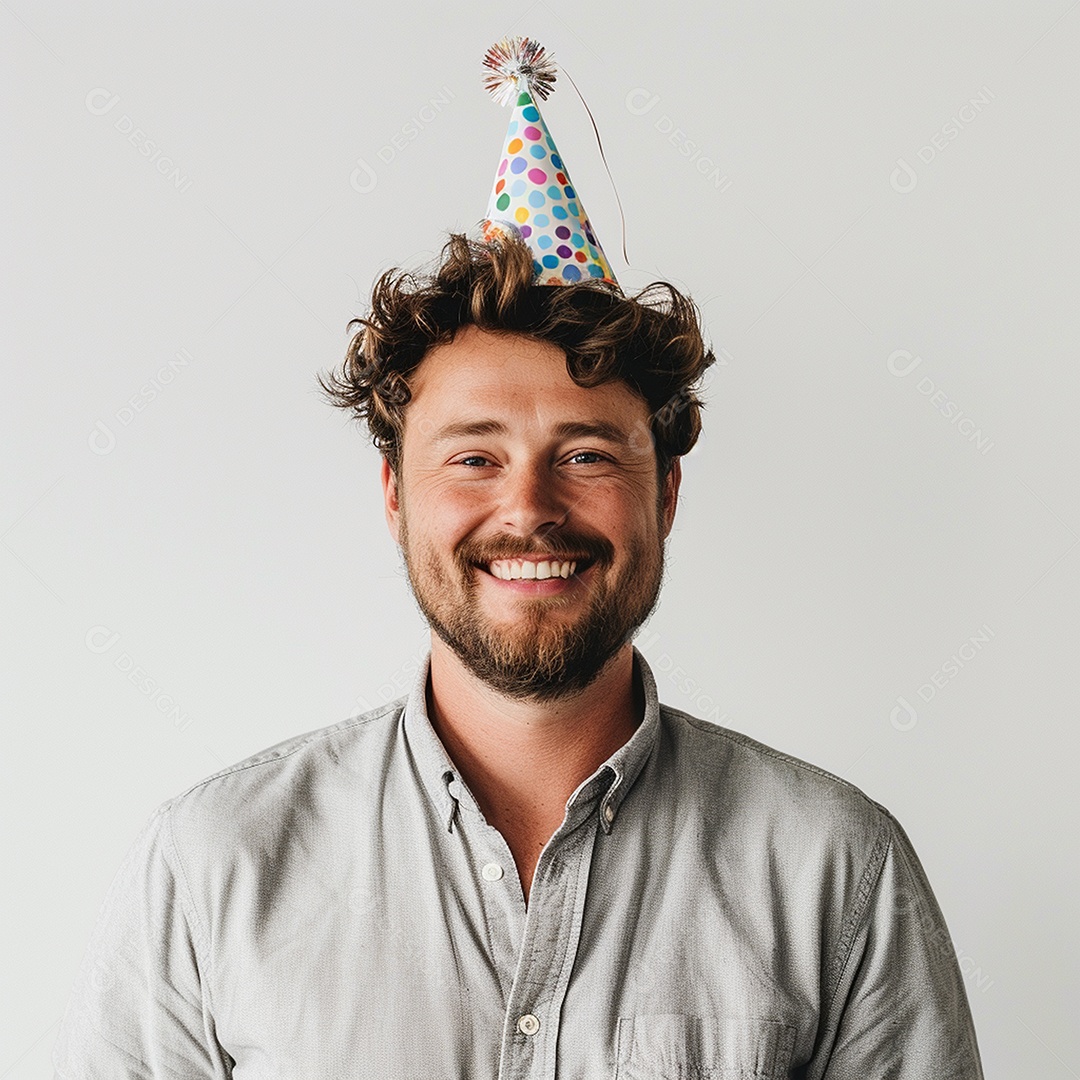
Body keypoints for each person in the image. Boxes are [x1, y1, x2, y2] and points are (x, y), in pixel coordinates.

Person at [53, 37, 985, 1080]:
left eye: (585, 454)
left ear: (666, 493)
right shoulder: (212, 865)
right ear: (396, 497)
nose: (530, 509)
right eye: (475, 456)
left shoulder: (838, 870)